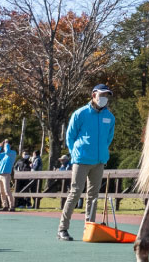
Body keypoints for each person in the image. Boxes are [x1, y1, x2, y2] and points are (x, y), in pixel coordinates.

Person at [57, 84, 116, 241]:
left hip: (99, 161)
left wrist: (102, 151)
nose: (104, 98)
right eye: (102, 94)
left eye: (107, 95)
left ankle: (89, 229)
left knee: (93, 196)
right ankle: (62, 228)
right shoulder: (80, 113)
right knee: (75, 192)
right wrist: (75, 153)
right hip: (81, 160)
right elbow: (70, 136)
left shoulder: (110, 117)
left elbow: (109, 138)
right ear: (94, 95)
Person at [0, 139, 18, 211]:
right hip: (0, 174)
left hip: (6, 174)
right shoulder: (4, 154)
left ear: (9, 145)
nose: (4, 146)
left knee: (7, 190)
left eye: (6, 145)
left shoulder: (12, 153)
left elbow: (7, 151)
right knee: (1, 191)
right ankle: (5, 206)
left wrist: (6, 143)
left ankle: (12, 206)